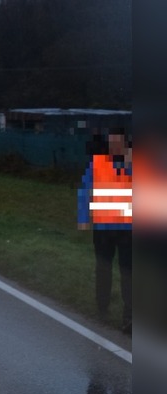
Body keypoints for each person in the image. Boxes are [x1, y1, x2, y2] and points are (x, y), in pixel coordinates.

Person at [78, 129, 132, 333]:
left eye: (119, 142)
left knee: (128, 272)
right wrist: (83, 218)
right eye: (112, 143)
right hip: (103, 228)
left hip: (128, 229)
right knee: (103, 269)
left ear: (126, 144)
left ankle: (130, 316)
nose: (115, 146)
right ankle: (102, 308)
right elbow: (85, 190)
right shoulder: (98, 163)